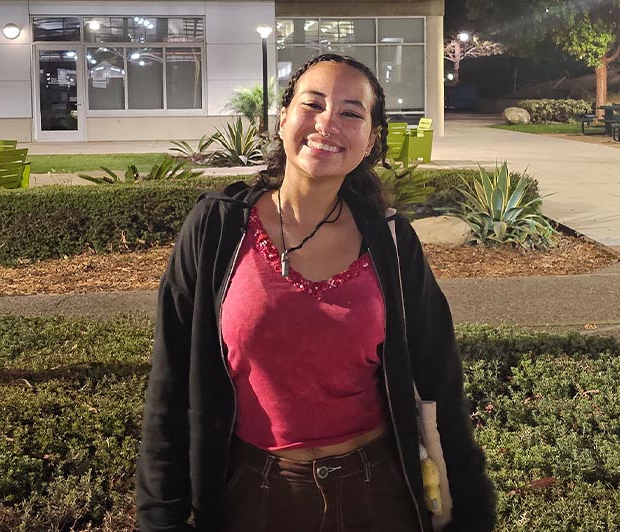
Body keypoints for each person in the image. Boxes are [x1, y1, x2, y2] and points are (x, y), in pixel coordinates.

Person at [136, 53, 496, 532]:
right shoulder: (216, 230)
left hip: (377, 493)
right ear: (283, 118)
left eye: (351, 112)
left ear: (370, 140)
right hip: (252, 495)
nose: (328, 123)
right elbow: (171, 382)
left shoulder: (391, 242)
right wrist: (160, 517)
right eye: (313, 104)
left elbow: (440, 381)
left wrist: (471, 514)